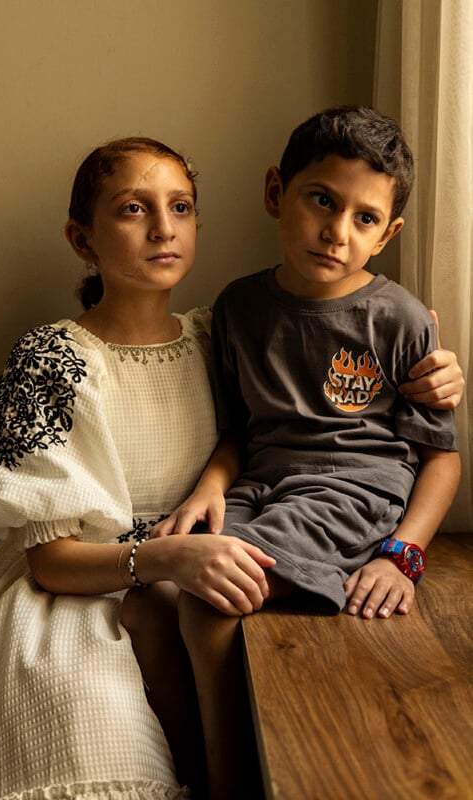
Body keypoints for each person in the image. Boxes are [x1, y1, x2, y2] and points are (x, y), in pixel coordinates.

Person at [0, 133, 463, 800]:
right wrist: (171, 560)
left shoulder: (219, 333)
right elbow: (49, 562)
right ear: (82, 238)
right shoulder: (51, 358)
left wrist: (435, 373)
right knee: (105, 727)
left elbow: (287, 420)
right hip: (75, 595)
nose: (164, 228)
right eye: (133, 209)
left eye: (181, 207)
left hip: (212, 556)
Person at [146, 107, 462, 799]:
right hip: (262, 486)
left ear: (389, 234)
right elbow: (241, 431)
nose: (336, 231)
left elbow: (439, 456)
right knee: (155, 591)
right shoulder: (239, 308)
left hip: (354, 496)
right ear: (274, 193)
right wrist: (210, 487)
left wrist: (404, 553)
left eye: (364, 218)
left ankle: (224, 784)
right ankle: (181, 766)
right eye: (321, 199)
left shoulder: (399, 319)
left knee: (206, 597)